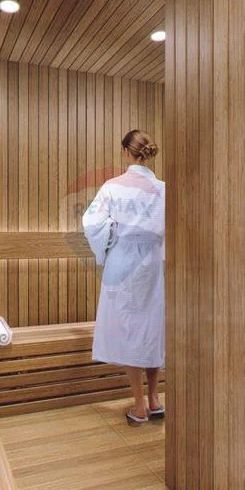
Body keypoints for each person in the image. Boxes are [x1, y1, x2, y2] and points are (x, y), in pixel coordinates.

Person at [83, 129, 166, 425]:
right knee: (152, 326)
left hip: (123, 262)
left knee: (129, 328)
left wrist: (114, 233)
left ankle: (139, 405)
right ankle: (155, 399)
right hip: (154, 262)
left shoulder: (112, 187)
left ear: (126, 152)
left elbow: (92, 223)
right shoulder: (164, 189)